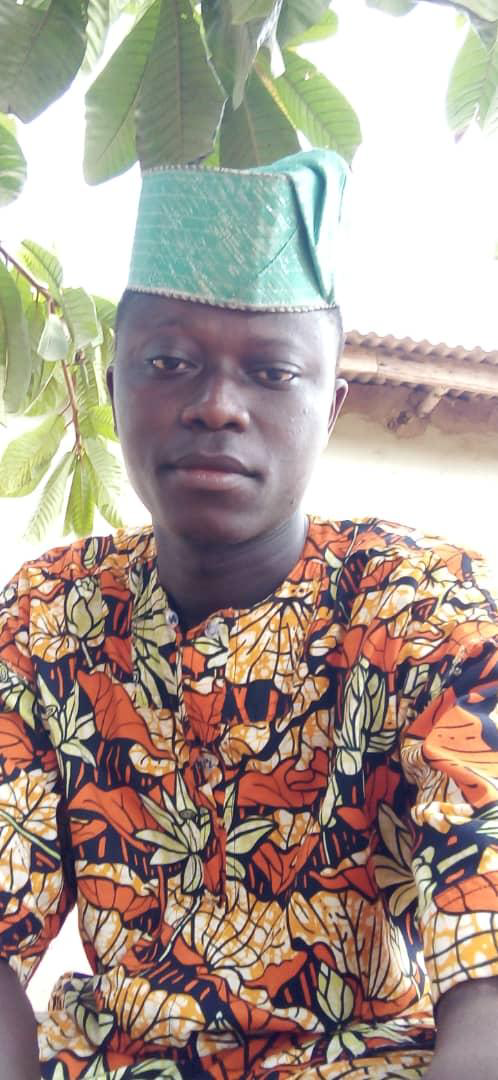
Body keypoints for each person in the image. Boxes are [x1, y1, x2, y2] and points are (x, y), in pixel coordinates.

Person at [0, 150, 497, 1080]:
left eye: (272, 373)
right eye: (168, 362)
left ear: (331, 409)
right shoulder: (45, 618)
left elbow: (490, 956)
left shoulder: (425, 611)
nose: (217, 407)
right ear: (112, 385)